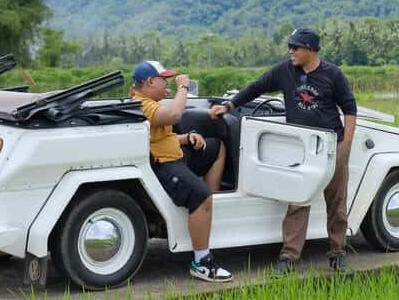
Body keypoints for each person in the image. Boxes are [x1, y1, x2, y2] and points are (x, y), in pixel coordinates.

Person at [209, 28, 357, 275]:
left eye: (295, 47)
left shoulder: (333, 75)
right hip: (301, 148)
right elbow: (258, 86)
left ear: (310, 49)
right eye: (290, 46)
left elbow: (350, 110)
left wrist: (346, 147)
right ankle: (289, 257)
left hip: (330, 147)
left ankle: (338, 254)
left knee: (337, 204)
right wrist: (230, 105)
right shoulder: (285, 70)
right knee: (298, 201)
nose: (291, 52)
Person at [131, 60, 232, 282]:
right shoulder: (143, 104)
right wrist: (183, 87)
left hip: (173, 154)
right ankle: (201, 262)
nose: (166, 85)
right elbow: (175, 115)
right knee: (200, 195)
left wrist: (186, 138)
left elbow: (160, 136)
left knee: (216, 146)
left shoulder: (147, 102)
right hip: (164, 164)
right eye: (163, 80)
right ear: (149, 82)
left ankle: (205, 209)